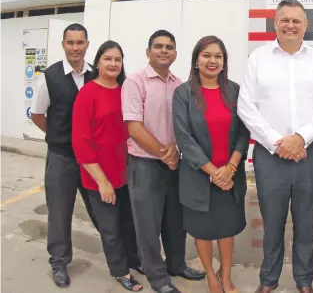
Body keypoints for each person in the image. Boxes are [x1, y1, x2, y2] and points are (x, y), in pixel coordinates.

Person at [237, 0, 313, 293]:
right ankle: (268, 280)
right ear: (275, 23)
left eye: (297, 21)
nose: (290, 25)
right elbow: (246, 107)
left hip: (308, 154)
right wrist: (276, 141)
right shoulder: (258, 58)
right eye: (285, 20)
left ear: (306, 26)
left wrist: (301, 138)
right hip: (270, 156)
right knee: (272, 225)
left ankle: (304, 281)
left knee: (307, 225)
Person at [122, 30, 205, 293]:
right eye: (158, 46)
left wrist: (175, 153)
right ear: (148, 52)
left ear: (176, 54)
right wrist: (163, 152)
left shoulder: (180, 85)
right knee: (148, 225)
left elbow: (184, 126)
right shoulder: (135, 82)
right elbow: (134, 127)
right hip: (145, 164)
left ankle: (177, 265)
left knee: (175, 221)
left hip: (174, 165)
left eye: (169, 47)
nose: (164, 51)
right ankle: (158, 278)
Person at [172, 35, 250, 293]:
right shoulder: (183, 94)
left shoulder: (235, 90)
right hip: (198, 176)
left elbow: (243, 131)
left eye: (218, 56)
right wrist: (214, 172)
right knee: (203, 231)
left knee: (227, 228)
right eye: (206, 55)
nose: (212, 61)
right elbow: (184, 138)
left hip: (230, 175)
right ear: (196, 60)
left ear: (224, 61)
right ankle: (209, 275)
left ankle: (225, 275)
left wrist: (231, 168)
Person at [29, 23, 100, 287]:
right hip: (62, 156)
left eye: (80, 42)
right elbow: (37, 115)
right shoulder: (50, 76)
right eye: (70, 42)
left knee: (103, 208)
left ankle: (122, 256)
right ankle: (59, 263)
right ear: (63, 45)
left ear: (87, 45)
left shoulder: (96, 75)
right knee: (59, 212)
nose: (75, 48)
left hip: (92, 159)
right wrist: (58, 135)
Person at [71, 40, 143, 292]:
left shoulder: (125, 90)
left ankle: (135, 260)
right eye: (108, 59)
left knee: (130, 223)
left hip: (125, 171)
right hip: (98, 175)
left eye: (118, 59)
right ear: (98, 62)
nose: (113, 63)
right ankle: (121, 271)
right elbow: (81, 142)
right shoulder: (87, 93)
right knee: (110, 227)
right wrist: (102, 181)